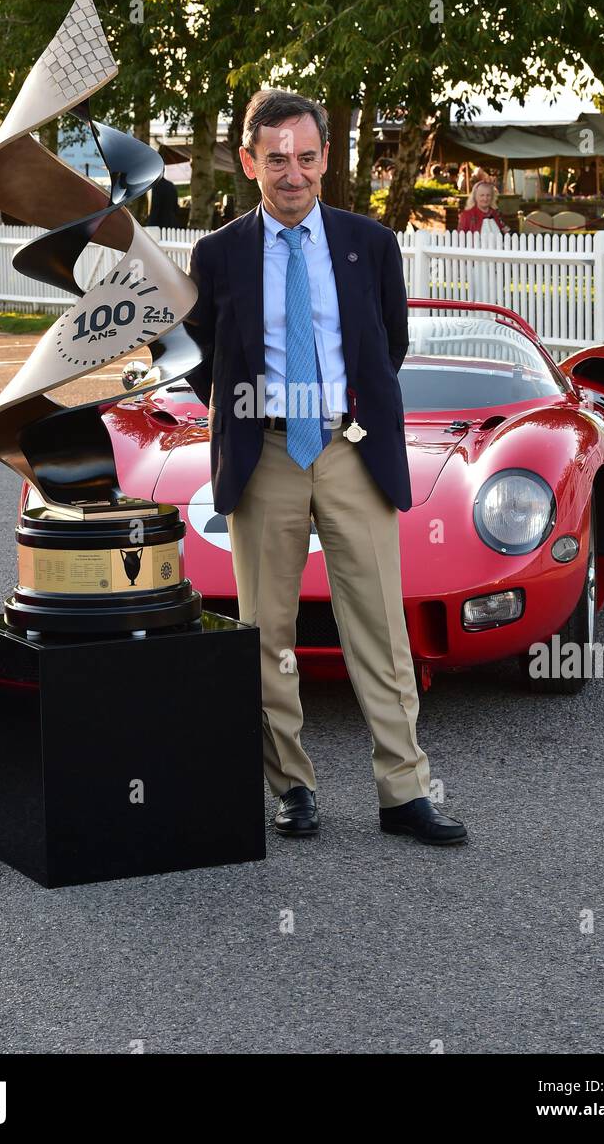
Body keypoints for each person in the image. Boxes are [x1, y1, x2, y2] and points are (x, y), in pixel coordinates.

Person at [182, 88, 467, 847]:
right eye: (275, 159)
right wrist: (256, 413)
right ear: (249, 163)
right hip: (264, 452)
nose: (292, 173)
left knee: (377, 625)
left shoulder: (369, 244)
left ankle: (403, 792)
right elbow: (197, 359)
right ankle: (292, 787)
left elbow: (388, 344)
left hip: (351, 449)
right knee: (266, 632)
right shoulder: (216, 256)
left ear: (325, 158)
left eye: (306, 157)